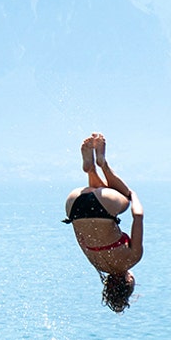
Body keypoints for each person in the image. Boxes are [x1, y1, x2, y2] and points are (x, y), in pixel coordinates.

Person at [63, 133, 144, 313]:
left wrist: (134, 197)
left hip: (103, 205)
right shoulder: (96, 264)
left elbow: (137, 216)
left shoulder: (132, 259)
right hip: (73, 206)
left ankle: (102, 163)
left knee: (126, 197)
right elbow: (82, 234)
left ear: (129, 281)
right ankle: (91, 170)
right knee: (101, 196)